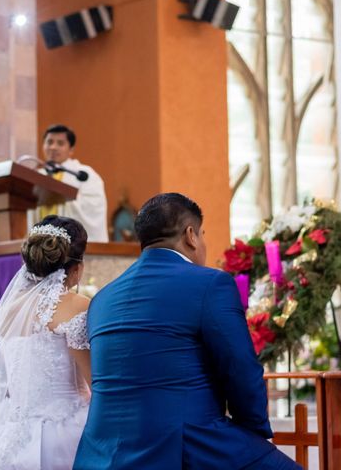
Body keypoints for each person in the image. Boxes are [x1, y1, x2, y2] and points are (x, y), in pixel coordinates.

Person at [74, 193, 301, 469]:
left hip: (101, 452)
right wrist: (251, 432)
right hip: (184, 445)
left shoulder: (102, 299)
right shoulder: (210, 283)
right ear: (191, 235)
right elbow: (240, 367)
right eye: (202, 234)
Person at [0, 215, 92, 469]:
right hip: (65, 433)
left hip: (11, 435)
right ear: (77, 268)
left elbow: (5, 383)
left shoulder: (9, 312)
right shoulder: (77, 307)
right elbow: (96, 380)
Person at [29, 124, 109, 243]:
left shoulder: (84, 174)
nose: (53, 147)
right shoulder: (35, 176)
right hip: (40, 244)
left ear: (71, 150)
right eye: (49, 142)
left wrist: (62, 198)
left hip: (69, 245)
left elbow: (94, 207)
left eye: (60, 143)